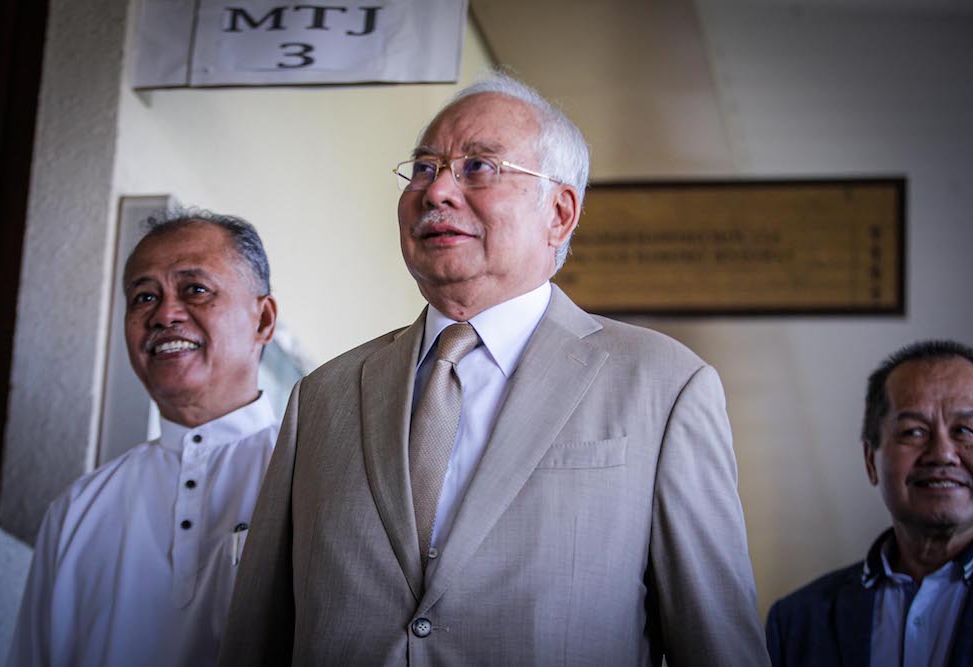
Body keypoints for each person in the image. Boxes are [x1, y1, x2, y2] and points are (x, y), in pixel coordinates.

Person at [221, 73, 767, 665]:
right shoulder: (322, 397)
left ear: (559, 212)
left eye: (478, 167)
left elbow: (718, 646)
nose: (436, 193)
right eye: (424, 169)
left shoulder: (664, 387)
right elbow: (259, 636)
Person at [8, 211, 279, 667]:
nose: (164, 314)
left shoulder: (312, 476)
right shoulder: (78, 510)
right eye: (144, 297)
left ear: (263, 320)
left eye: (195, 290)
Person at [766, 339, 973, 666]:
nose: (943, 453)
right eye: (914, 431)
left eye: (965, 430)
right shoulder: (796, 621)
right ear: (870, 460)